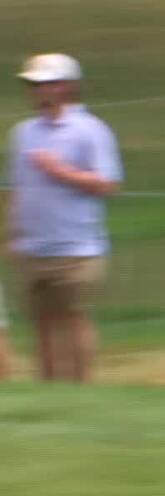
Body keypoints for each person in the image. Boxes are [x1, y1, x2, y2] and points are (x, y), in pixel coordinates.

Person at [5, 53, 121, 383]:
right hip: (33, 247)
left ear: (69, 86)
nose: (39, 90)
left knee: (73, 319)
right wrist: (13, 234)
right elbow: (16, 187)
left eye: (47, 83)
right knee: (40, 322)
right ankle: (49, 385)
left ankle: (81, 385)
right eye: (33, 84)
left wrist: (61, 172)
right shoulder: (23, 133)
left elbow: (108, 184)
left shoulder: (90, 130)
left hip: (76, 247)